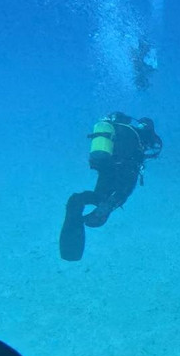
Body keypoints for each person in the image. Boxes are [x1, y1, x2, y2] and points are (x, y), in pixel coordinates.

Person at [59, 112, 162, 261]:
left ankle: (82, 205)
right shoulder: (138, 132)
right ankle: (108, 205)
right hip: (127, 167)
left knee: (98, 195)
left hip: (105, 166)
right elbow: (155, 149)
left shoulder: (113, 131)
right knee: (122, 192)